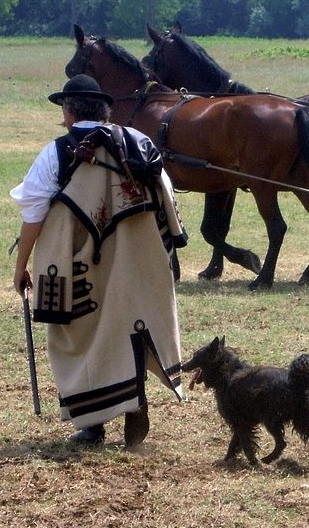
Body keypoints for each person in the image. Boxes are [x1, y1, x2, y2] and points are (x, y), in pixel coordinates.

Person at [11, 74, 187, 447]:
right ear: (104, 111)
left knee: (78, 336)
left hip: (79, 262)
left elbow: (33, 211)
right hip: (139, 258)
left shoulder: (58, 151)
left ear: (70, 112)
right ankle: (132, 403)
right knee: (130, 327)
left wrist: (20, 265)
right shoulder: (137, 142)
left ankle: (93, 425)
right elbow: (166, 195)